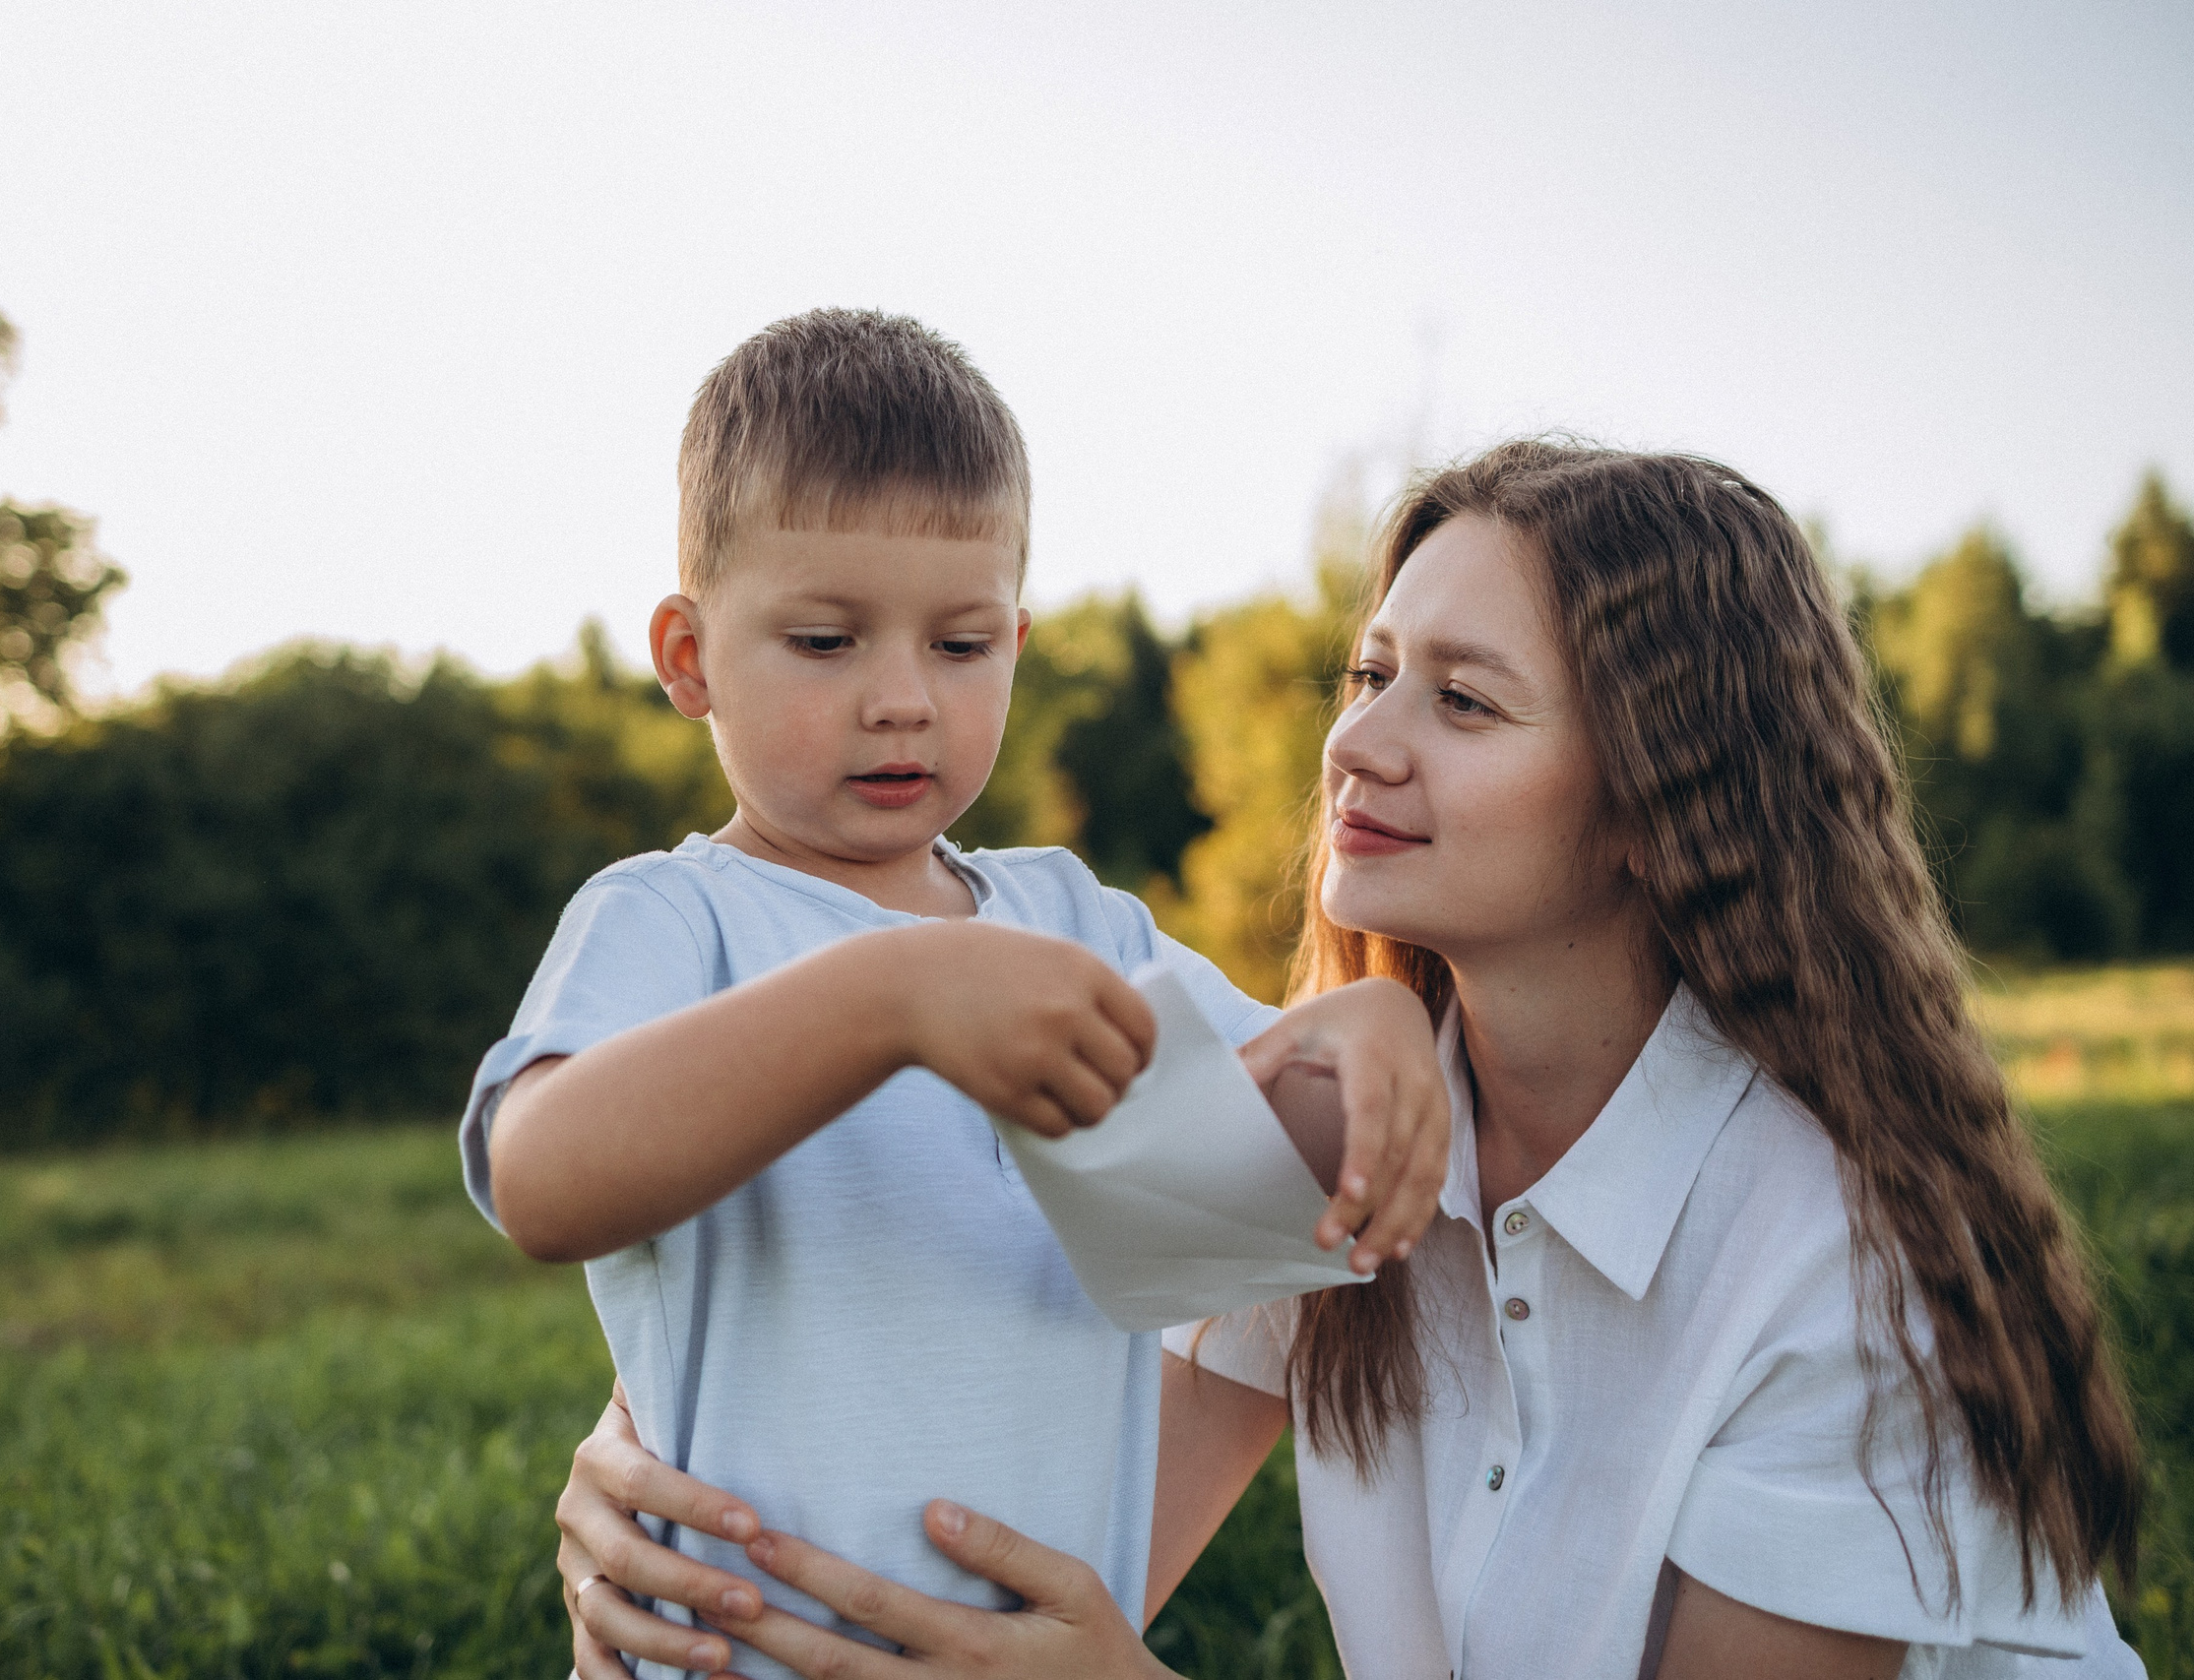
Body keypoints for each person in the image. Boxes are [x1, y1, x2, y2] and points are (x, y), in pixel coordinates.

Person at [551, 440, 2148, 1679]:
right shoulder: (1339, 1144)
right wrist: (665, 1492)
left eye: (1462, 701)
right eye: (1370, 674)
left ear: (1663, 805)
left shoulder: (1839, 1269)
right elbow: (1023, 1556)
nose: (1361, 745)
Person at [459, 307, 1452, 1680]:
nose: (902, 701)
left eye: (961, 645)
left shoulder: (1076, 919)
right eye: (825, 641)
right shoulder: (673, 917)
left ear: (1019, 645)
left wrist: (1377, 1024)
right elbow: (540, 1184)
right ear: (688, 658)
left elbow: (1285, 1123)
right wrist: (891, 998)